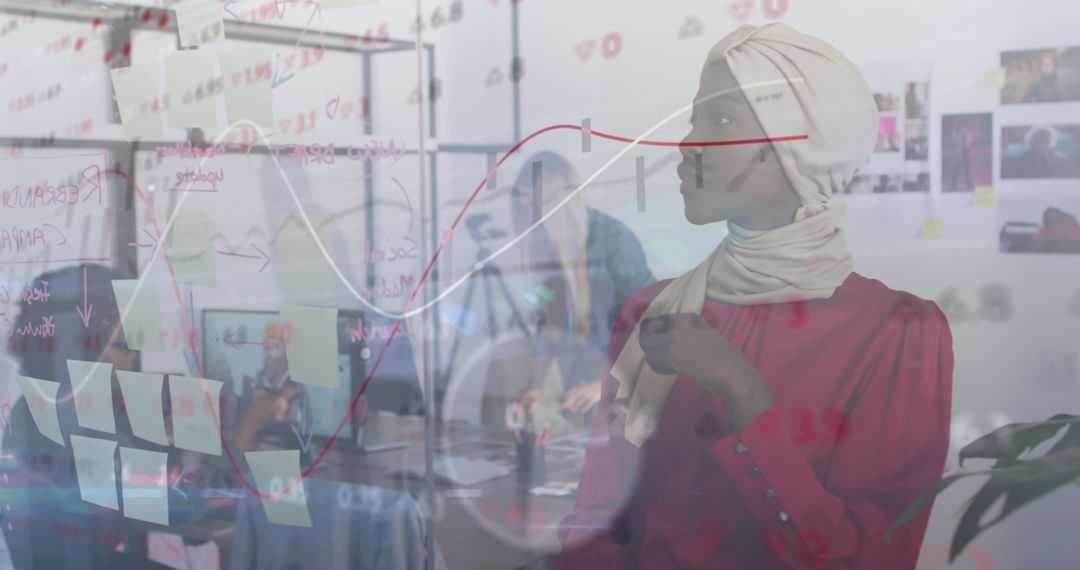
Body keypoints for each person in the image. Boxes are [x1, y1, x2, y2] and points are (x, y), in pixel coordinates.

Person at [555, 24, 953, 569]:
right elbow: (601, 522)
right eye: (696, 119)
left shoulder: (900, 333)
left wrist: (741, 389)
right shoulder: (654, 311)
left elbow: (869, 557)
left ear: (801, 145)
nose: (688, 144)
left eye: (720, 120)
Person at [0, 264, 295, 569]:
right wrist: (249, 427)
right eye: (123, 346)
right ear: (82, 346)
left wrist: (156, 443)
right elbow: (179, 503)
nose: (132, 357)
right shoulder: (78, 423)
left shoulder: (37, 405)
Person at [508, 152, 655, 430]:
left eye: (532, 202)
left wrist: (608, 383)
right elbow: (546, 318)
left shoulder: (613, 241)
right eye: (522, 203)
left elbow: (656, 325)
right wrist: (536, 386)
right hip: (584, 400)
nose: (527, 214)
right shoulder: (545, 244)